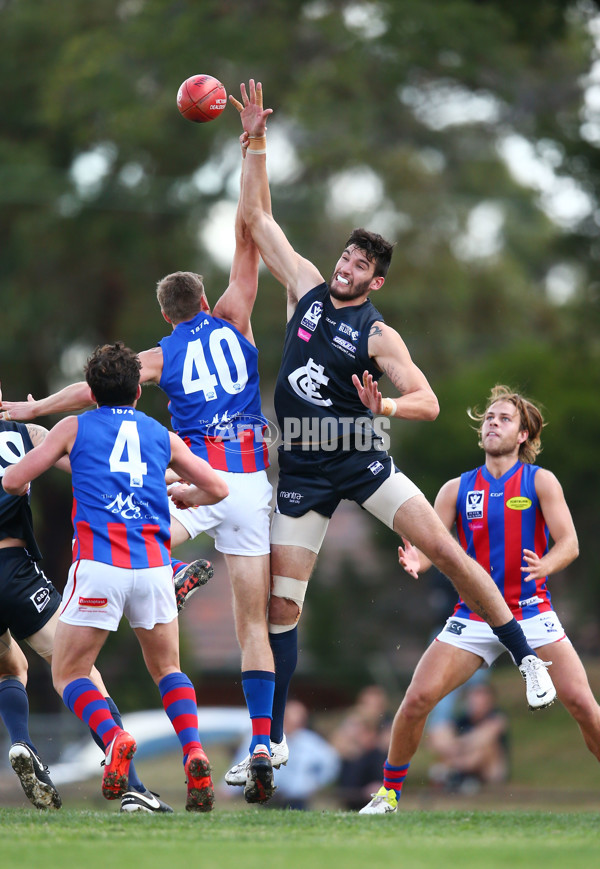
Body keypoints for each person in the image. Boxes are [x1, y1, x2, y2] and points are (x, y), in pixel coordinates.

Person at [226, 80, 556, 772]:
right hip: (305, 465)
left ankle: (526, 661)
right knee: (282, 609)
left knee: (449, 552)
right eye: (347, 257)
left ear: (376, 282)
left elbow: (430, 400)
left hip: (359, 457)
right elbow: (256, 219)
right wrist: (255, 140)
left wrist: (387, 409)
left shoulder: (377, 334)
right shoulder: (306, 289)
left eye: (360, 266)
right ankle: (272, 736)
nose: (347, 268)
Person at [1, 139, 280, 803]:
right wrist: (253, 151)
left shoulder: (112, 396)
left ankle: (115, 738)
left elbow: (23, 471)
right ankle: (253, 740)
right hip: (235, 488)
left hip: (106, 557)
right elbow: (251, 236)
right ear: (207, 298)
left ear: (164, 317)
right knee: (239, 635)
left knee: (71, 670)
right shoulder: (234, 324)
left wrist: (34, 413)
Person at [2, 342, 229, 812]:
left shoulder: (73, 427)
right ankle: (195, 753)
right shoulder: (159, 435)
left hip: (99, 567)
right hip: (151, 567)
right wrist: (186, 495)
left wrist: (56, 454)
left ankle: (114, 737)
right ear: (138, 393)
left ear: (90, 392)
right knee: (168, 669)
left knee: (69, 673)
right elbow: (217, 487)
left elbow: (12, 479)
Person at [359, 384, 595, 814]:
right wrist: (417, 558)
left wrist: (547, 565)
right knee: (416, 701)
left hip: (531, 612)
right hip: (474, 616)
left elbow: (570, 543)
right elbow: (433, 545)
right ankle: (388, 794)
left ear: (523, 435)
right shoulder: (456, 489)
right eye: (489, 418)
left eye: (505, 419)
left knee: (582, 703)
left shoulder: (540, 482)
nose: (493, 423)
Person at [0, 392, 172, 813]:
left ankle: (22, 743)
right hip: (12, 568)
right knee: (79, 671)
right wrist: (168, 484)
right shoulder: (26, 433)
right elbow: (97, 467)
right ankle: (134, 787)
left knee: (10, 666)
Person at [427, 681, 509, 793]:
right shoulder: (463, 720)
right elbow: (439, 739)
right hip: (463, 759)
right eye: (475, 696)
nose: (477, 701)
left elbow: (482, 738)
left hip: (490, 771)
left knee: (485, 748)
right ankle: (459, 778)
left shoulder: (497, 718)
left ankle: (455, 775)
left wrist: (457, 745)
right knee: (441, 734)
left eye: (482, 696)